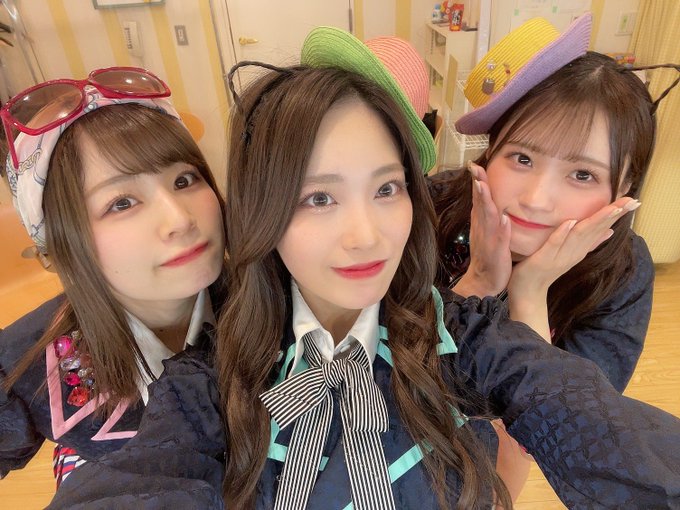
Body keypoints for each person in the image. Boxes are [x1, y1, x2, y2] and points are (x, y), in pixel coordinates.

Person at [47, 27, 680, 510]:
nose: (367, 236)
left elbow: (575, 411)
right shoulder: (209, 379)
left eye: (386, 189)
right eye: (318, 198)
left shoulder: (462, 338)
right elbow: (146, 476)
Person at [0, 67, 227, 485]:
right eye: (122, 203)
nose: (180, 220)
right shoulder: (25, 364)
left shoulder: (277, 302)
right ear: (61, 246)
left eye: (184, 180)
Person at [430, 13, 665, 389]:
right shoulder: (433, 206)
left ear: (625, 187)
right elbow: (393, 375)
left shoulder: (622, 271)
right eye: (522, 158)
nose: (536, 200)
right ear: (491, 151)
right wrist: (479, 281)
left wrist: (530, 290)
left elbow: (565, 417)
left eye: (583, 175)